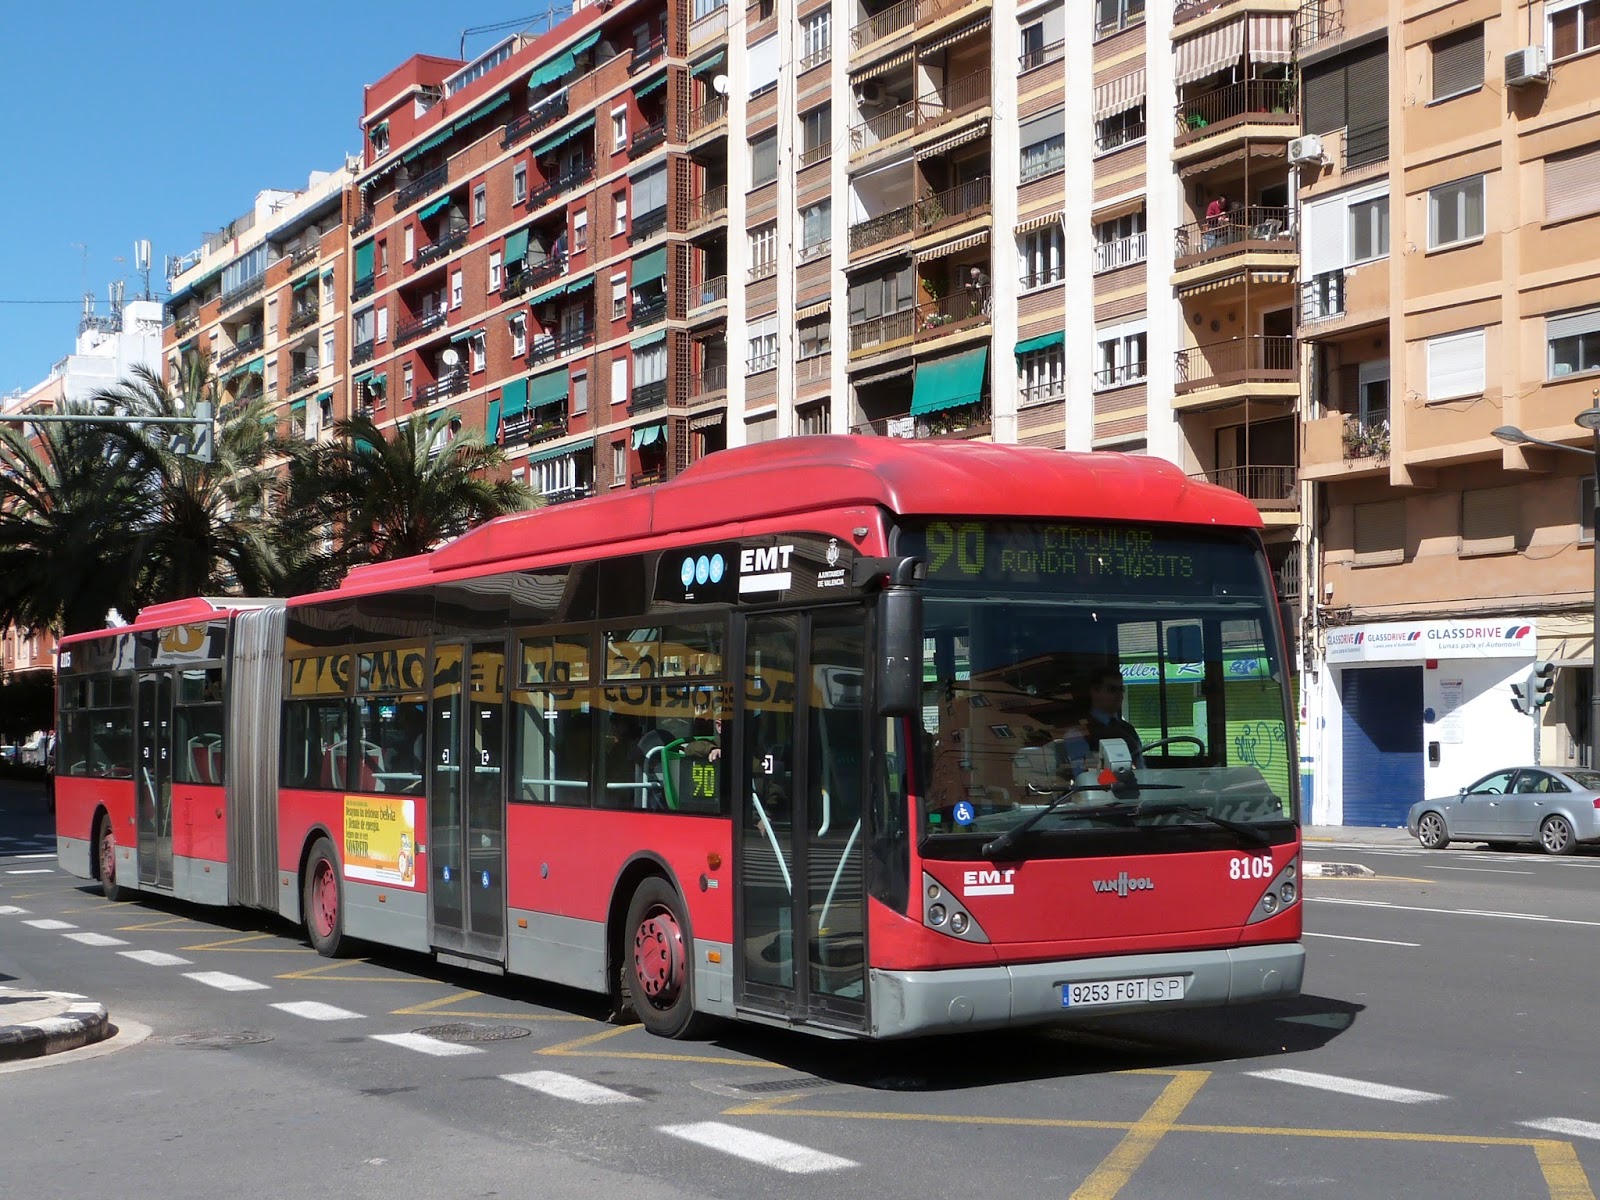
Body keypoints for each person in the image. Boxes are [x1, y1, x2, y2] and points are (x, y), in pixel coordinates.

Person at [1062, 666, 1144, 774]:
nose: (1119, 695)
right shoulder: (1079, 733)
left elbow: (1142, 769)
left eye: (1121, 689)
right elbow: (1083, 776)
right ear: (1095, 691)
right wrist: (1118, 779)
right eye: (1112, 690)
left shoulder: (1129, 730)